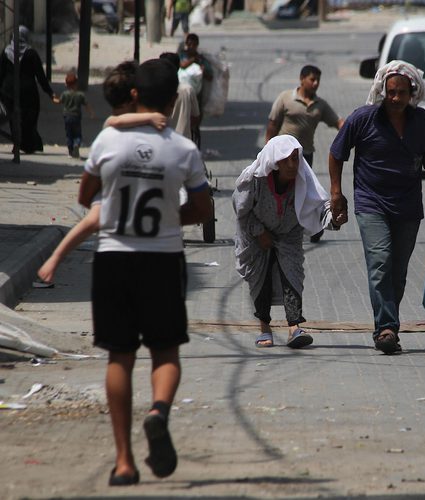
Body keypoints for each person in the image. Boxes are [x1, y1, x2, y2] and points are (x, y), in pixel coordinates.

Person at [77, 59, 212, 486]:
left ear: (135, 94)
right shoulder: (184, 151)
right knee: (166, 351)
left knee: (120, 356)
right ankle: (158, 411)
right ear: (174, 100)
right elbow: (204, 208)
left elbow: (86, 195)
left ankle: (123, 463)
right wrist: (172, 217)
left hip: (114, 257)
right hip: (163, 258)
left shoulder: (107, 142)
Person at [328, 60, 425, 355]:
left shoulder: (422, 122)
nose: (395, 98)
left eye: (401, 93)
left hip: (408, 206)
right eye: (390, 92)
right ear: (382, 91)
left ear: (412, 93)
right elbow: (336, 153)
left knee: (398, 271)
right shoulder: (363, 119)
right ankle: (386, 328)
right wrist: (336, 192)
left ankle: (387, 324)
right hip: (371, 203)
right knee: (380, 262)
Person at [37, 62, 168, 285]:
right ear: (134, 97)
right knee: (94, 218)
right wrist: (150, 117)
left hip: (119, 231)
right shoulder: (116, 127)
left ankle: (54, 260)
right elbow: (115, 120)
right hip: (118, 205)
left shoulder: (114, 134)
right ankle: (55, 259)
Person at [232, 135, 347, 348]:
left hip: (289, 233)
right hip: (257, 234)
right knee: (261, 278)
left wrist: (335, 219)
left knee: (292, 276)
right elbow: (241, 211)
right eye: (287, 160)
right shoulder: (254, 180)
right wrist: (259, 232)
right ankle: (264, 327)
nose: (293, 165)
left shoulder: (303, 179)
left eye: (296, 158)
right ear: (275, 161)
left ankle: (294, 327)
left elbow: (320, 207)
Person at [265, 64, 344, 242]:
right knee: (282, 190)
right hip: (282, 156)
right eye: (312, 79)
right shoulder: (285, 98)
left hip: (305, 155)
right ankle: (279, 222)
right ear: (302, 79)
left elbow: (338, 122)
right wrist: (267, 147)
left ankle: (315, 226)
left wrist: (351, 131)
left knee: (305, 189)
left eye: (318, 80)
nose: (315, 83)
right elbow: (272, 123)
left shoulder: (320, 105)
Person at [0, 25, 57, 154]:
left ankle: (16, 143)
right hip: (28, 93)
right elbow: (41, 76)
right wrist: (50, 92)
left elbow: (0, 74)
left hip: (8, 92)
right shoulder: (31, 53)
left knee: (13, 118)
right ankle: (26, 143)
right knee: (28, 119)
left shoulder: (6, 52)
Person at [54, 71, 95, 158]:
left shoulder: (64, 94)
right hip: (76, 116)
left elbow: (58, 101)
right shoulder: (80, 95)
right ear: (76, 83)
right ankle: (77, 144)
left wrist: (53, 98)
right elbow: (86, 105)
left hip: (67, 116)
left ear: (66, 84)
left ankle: (70, 152)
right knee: (77, 134)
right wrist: (91, 113)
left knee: (69, 134)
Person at [160, 52, 200, 140]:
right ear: (178, 68)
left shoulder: (155, 89)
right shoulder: (188, 89)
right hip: (183, 140)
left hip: (162, 140)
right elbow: (195, 117)